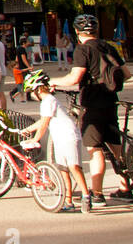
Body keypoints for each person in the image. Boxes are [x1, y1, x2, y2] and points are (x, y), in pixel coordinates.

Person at [56, 14, 130, 204]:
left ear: (76, 31)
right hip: (111, 101)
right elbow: (127, 74)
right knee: (116, 148)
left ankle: (97, 194)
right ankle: (125, 187)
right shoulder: (109, 47)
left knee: (94, 149)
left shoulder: (83, 49)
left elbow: (74, 78)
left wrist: (54, 84)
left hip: (92, 103)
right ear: (96, 30)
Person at [19, 70, 91, 213]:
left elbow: (45, 123)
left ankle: (86, 196)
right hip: (60, 138)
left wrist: (35, 139)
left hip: (69, 136)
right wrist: (28, 129)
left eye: (32, 91)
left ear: (38, 89)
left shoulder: (48, 101)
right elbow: (42, 120)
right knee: (63, 169)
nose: (32, 95)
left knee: (74, 167)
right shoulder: (47, 102)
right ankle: (68, 201)